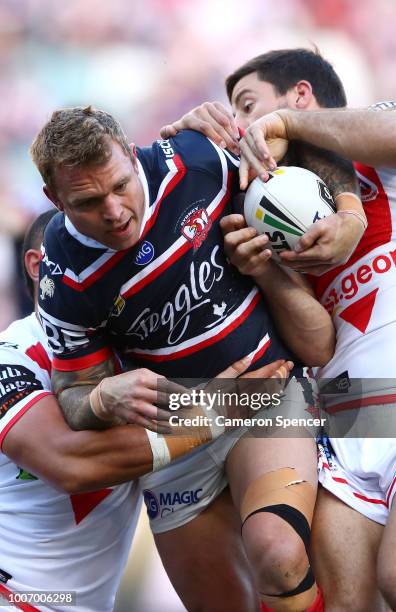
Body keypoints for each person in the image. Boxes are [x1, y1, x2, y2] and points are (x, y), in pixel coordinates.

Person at [29, 105, 360, 611]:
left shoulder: (197, 160)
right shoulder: (61, 277)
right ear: (55, 199)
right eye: (89, 202)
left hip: (264, 393)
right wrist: (100, 398)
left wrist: (348, 213)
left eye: (121, 186)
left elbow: (315, 145)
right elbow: (74, 399)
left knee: (277, 553)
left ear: (132, 154)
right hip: (177, 429)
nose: (115, 211)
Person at [162, 48, 396, 611]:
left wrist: (286, 125)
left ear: (299, 94)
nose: (242, 123)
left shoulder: (378, 144)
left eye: (248, 105)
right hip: (348, 434)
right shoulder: (260, 206)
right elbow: (318, 343)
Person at [0, 209, 289, 611]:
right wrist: (213, 412)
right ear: (38, 266)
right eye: (84, 253)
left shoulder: (144, 347)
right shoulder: (11, 357)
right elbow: (67, 464)